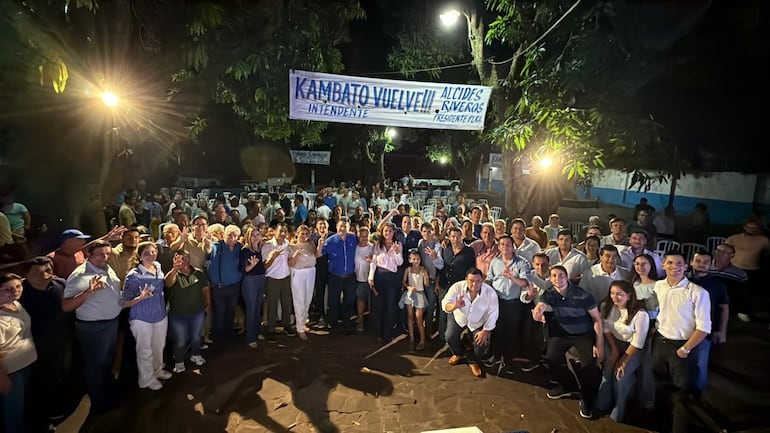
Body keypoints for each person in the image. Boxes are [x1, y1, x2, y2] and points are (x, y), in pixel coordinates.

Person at [532, 265, 603, 419]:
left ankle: (586, 398)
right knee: (551, 358)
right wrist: (538, 312)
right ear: (550, 279)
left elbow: (597, 319)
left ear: (567, 276)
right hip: (562, 334)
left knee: (588, 365)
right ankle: (568, 385)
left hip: (583, 334)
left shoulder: (582, 295)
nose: (558, 279)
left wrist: (599, 343)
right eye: (554, 276)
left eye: (561, 275)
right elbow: (541, 305)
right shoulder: (549, 293)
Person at [652, 250, 711, 433]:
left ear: (686, 266)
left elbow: (704, 328)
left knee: (681, 395)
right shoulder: (658, 286)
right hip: (660, 343)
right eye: (670, 263)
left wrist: (685, 349)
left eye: (679, 263)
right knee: (660, 388)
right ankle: (660, 425)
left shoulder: (698, 292)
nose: (674, 267)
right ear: (663, 265)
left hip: (682, 348)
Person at [61, 240, 122, 414]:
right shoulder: (80, 275)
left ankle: (107, 394)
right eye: (101, 254)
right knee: (94, 365)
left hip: (110, 323)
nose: (105, 257)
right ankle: (98, 403)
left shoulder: (105, 266)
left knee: (105, 362)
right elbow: (66, 306)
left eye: (108, 253)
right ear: (89, 254)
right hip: (93, 328)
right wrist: (89, 292)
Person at [18, 257, 73, 430]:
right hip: (32, 346)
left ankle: (59, 408)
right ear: (26, 274)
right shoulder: (19, 293)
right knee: (40, 382)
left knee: (61, 374)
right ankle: (43, 416)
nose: (46, 274)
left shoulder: (60, 285)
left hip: (61, 340)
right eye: (39, 272)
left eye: (48, 269)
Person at [594, 280, 649, 422]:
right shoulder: (607, 306)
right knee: (608, 367)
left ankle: (620, 406)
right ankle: (604, 401)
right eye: (612, 293)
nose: (614, 297)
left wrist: (624, 360)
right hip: (614, 343)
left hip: (633, 348)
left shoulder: (640, 314)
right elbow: (606, 329)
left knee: (621, 374)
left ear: (629, 295)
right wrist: (614, 350)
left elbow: (638, 341)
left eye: (619, 294)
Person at [121, 241, 170, 390]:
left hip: (160, 315)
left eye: (153, 252)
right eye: (146, 253)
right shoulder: (133, 276)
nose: (151, 255)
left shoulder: (158, 268)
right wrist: (141, 298)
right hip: (141, 319)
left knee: (158, 347)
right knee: (145, 350)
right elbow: (124, 302)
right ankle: (146, 380)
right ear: (139, 256)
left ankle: (157, 370)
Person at [485, 235, 532, 370]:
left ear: (513, 246)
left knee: (511, 331)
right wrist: (482, 287)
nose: (505, 247)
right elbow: (490, 278)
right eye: (502, 244)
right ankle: (495, 355)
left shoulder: (522, 263)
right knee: (496, 328)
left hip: (513, 303)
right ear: (499, 246)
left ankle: (508, 359)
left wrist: (512, 277)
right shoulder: (495, 262)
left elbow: (525, 283)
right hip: (497, 301)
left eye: (508, 244)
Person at [442, 268, 499, 378]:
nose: (474, 284)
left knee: (481, 343)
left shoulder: (490, 293)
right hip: (459, 316)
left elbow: (493, 314)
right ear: (466, 280)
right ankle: (457, 353)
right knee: (449, 336)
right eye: (471, 281)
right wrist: (455, 306)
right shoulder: (457, 287)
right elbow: (445, 304)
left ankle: (473, 360)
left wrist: (485, 331)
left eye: (478, 281)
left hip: (478, 321)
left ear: (482, 280)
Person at [687, 249, 729, 400]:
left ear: (711, 264)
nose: (702, 265)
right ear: (691, 262)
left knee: (700, 363)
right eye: (698, 261)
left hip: (705, 331)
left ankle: (697, 394)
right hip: (683, 329)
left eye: (706, 262)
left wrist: (722, 331)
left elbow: (724, 308)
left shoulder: (718, 284)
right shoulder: (683, 280)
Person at [0, 273, 37, 433]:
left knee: (22, 406)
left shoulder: (15, 304)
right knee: (12, 412)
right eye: (7, 289)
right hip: (11, 371)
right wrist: (2, 379)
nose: (14, 291)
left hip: (25, 365)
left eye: (18, 286)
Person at [165, 250, 209, 373]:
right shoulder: (174, 274)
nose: (184, 260)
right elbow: (167, 283)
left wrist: (208, 303)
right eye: (181, 258)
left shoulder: (198, 273)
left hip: (197, 311)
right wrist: (174, 269)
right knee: (180, 340)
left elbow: (205, 289)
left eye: (186, 257)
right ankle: (179, 361)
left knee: (196, 337)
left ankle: (195, 354)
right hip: (178, 314)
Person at [725, 220, 770, 322]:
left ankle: (743, 312)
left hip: (752, 270)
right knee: (731, 292)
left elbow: (767, 253)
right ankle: (729, 312)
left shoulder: (764, 240)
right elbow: (724, 250)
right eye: (749, 227)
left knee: (748, 293)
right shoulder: (734, 238)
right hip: (734, 269)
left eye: (754, 228)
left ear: (759, 229)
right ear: (744, 227)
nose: (751, 230)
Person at [438, 227, 476, 343]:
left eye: (458, 236)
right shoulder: (446, 250)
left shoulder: (469, 251)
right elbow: (441, 267)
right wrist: (438, 282)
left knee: (460, 313)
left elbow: (471, 269)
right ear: (449, 237)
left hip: (460, 288)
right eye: (453, 236)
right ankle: (442, 337)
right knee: (443, 311)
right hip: (445, 285)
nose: (456, 239)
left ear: (462, 237)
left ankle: (458, 339)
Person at [207, 225, 243, 343]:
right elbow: (207, 250)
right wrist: (206, 243)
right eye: (229, 236)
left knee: (231, 311)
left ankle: (229, 336)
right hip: (219, 288)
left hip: (234, 286)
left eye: (235, 236)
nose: (232, 238)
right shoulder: (216, 246)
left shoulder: (240, 247)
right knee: (219, 312)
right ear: (224, 236)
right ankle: (218, 338)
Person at [368, 223, 403, 342]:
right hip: (379, 275)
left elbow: (400, 263)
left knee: (390, 305)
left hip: (391, 277)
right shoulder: (378, 245)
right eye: (386, 231)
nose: (388, 233)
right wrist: (371, 277)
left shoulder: (398, 245)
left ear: (394, 232)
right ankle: (378, 332)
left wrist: (397, 253)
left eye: (390, 231)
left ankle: (388, 333)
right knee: (378, 305)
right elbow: (373, 261)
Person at [322, 218, 359, 331]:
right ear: (337, 227)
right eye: (340, 226)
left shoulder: (354, 238)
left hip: (350, 276)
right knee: (334, 301)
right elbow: (319, 254)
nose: (342, 229)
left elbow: (366, 243)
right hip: (335, 276)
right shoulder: (330, 240)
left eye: (345, 226)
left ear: (348, 228)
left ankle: (346, 323)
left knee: (349, 301)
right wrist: (320, 243)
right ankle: (333, 324)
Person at [262, 223, 294, 336]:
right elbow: (264, 266)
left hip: (285, 277)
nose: (283, 233)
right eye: (281, 231)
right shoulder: (267, 245)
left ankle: (287, 325)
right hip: (272, 279)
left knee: (287, 303)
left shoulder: (287, 243)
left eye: (285, 231)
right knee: (272, 305)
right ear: (275, 231)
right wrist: (272, 257)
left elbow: (289, 258)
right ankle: (271, 329)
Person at [288, 225, 317, 340]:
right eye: (302, 233)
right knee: (299, 300)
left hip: (310, 272)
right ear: (297, 233)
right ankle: (299, 328)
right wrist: (296, 255)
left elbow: (317, 255)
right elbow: (290, 263)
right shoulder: (292, 246)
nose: (304, 236)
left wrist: (320, 244)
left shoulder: (311, 244)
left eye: (306, 234)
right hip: (298, 273)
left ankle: (303, 322)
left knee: (308, 299)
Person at [239, 226, 266, 347]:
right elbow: (243, 270)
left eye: (257, 235)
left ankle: (257, 331)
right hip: (250, 281)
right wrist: (252, 266)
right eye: (253, 235)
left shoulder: (259, 249)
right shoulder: (245, 250)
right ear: (248, 237)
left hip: (260, 279)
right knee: (252, 308)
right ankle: (251, 337)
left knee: (258, 307)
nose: (255, 237)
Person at [399, 250, 429, 350]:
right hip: (410, 294)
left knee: (419, 318)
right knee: (410, 316)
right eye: (414, 259)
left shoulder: (423, 270)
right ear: (410, 260)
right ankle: (411, 338)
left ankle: (422, 340)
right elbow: (404, 282)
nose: (416, 261)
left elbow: (426, 285)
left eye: (418, 259)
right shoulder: (408, 270)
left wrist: (426, 277)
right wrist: (408, 287)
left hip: (420, 294)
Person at [354, 226, 374, 333]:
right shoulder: (354, 247)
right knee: (361, 300)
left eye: (366, 236)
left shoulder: (373, 247)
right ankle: (360, 320)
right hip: (359, 279)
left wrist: (372, 260)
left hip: (371, 280)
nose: (364, 238)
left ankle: (372, 323)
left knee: (372, 302)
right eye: (362, 236)